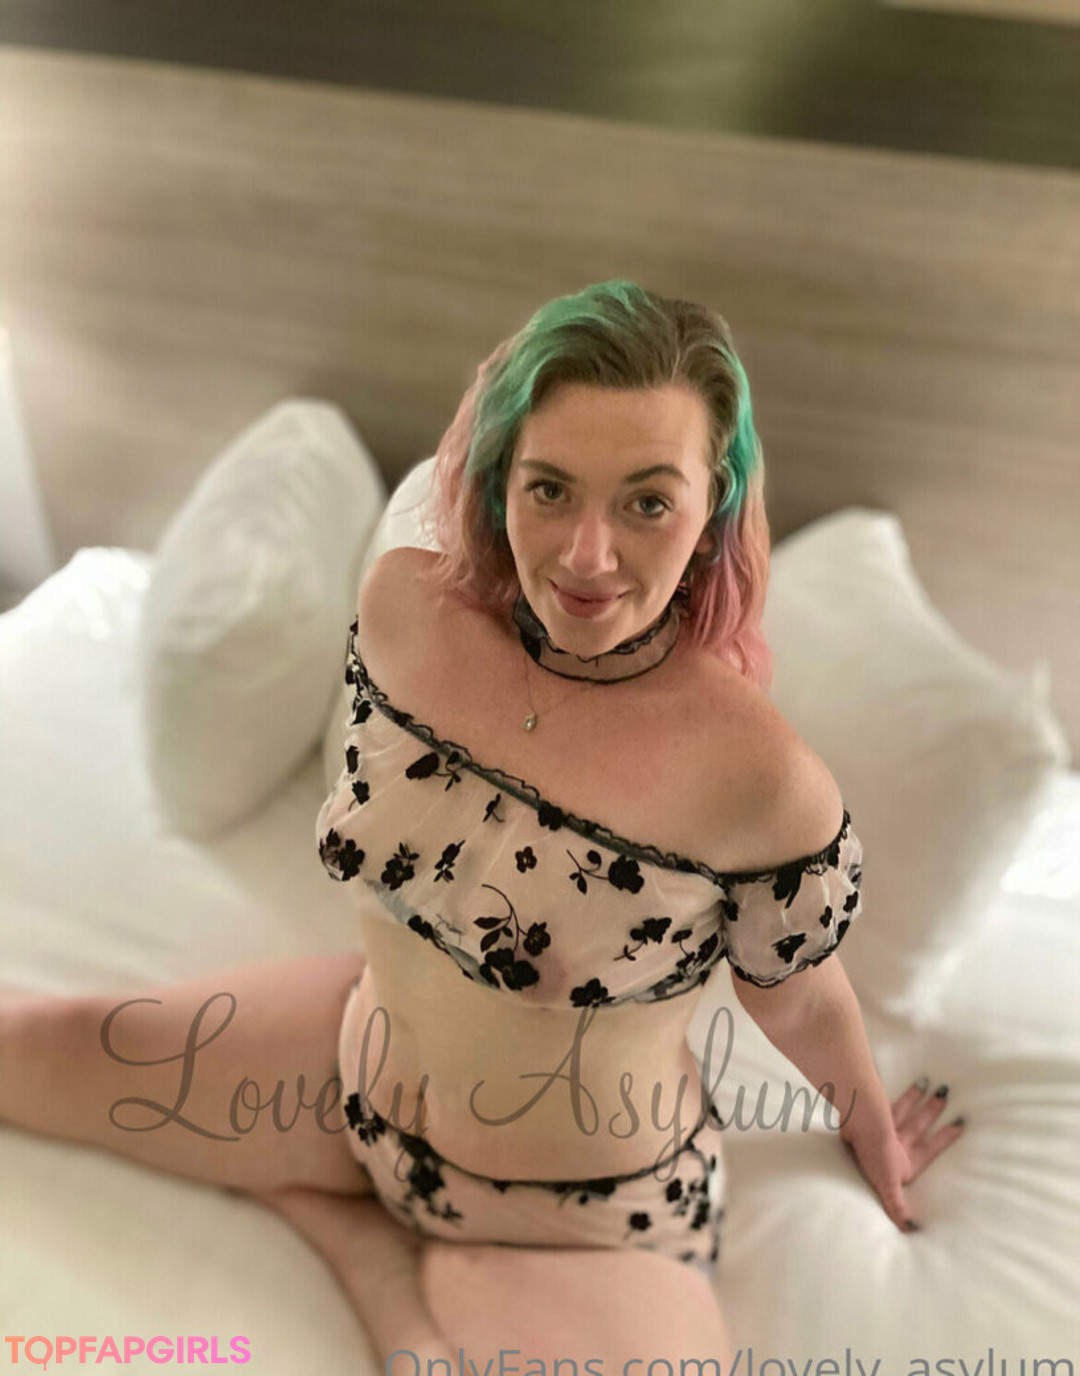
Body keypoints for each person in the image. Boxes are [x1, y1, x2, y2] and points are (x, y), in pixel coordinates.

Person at [1, 280, 963, 1370]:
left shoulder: (760, 778)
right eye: (550, 488)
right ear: (499, 477)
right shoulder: (405, 610)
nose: (588, 555)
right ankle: (357, 1224)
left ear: (713, 513)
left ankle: (375, 1272)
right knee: (32, 1051)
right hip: (342, 1082)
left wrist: (872, 1131)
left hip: (578, 1218)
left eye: (648, 503)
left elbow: (804, 995)